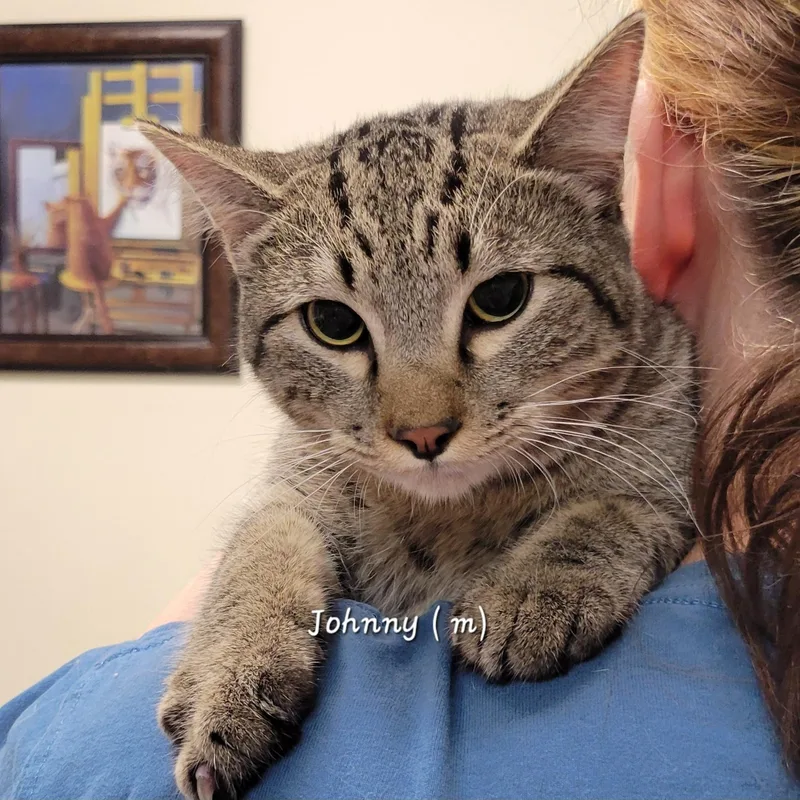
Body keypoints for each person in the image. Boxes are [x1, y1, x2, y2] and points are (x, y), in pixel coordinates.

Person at [2, 1, 798, 797]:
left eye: (497, 300)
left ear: (605, 190)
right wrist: (253, 605)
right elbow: (286, 519)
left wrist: (607, 537)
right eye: (335, 324)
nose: (421, 421)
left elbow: (658, 496)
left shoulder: (657, 396)